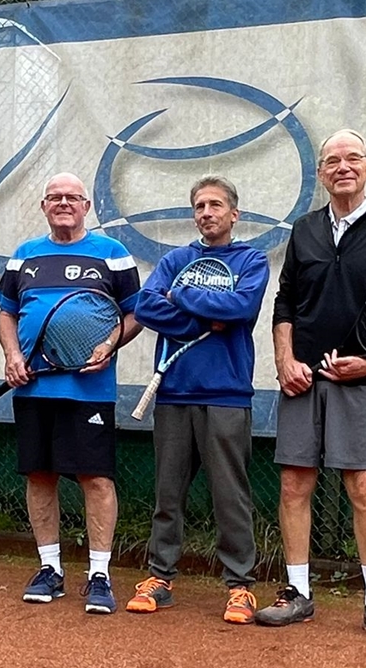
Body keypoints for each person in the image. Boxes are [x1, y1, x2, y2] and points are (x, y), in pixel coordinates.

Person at [254, 130, 366, 642]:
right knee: (293, 484)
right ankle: (297, 592)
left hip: (363, 380)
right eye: (331, 161)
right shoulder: (304, 230)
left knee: (364, 488)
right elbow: (285, 304)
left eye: (352, 159)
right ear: (321, 173)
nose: (342, 167)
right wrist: (285, 361)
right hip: (303, 378)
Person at [0, 173, 142, 615]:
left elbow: (136, 313)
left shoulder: (113, 255)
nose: (63, 203)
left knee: (95, 478)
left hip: (90, 391)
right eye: (55, 198)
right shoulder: (24, 257)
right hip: (33, 388)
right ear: (43, 207)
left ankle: (99, 574)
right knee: (40, 475)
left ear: (86, 206)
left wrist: (110, 342)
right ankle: (50, 569)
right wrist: (12, 355)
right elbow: (6, 314)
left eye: (72, 198)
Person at [125, 176, 270, 624]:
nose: (206, 213)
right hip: (173, 393)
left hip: (226, 393)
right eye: (199, 206)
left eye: (215, 205)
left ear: (234, 214)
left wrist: (182, 297)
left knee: (231, 496)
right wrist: (200, 319)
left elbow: (241, 309)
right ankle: (160, 578)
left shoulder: (252, 259)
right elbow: (145, 306)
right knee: (167, 494)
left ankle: (240, 587)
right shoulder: (174, 259)